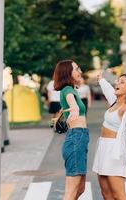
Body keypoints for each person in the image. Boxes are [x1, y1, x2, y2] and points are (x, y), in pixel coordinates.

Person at [92, 72, 126, 200]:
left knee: (119, 195)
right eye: (117, 81)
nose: (117, 83)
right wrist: (101, 80)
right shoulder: (115, 102)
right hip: (103, 148)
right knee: (106, 194)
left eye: (122, 82)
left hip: (114, 152)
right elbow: (108, 90)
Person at [53, 60, 89, 200]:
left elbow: (67, 103)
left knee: (80, 188)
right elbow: (71, 101)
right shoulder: (68, 90)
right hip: (76, 138)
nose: (80, 71)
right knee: (71, 191)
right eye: (76, 69)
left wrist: (61, 114)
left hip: (80, 138)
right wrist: (73, 107)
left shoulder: (72, 90)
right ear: (68, 73)